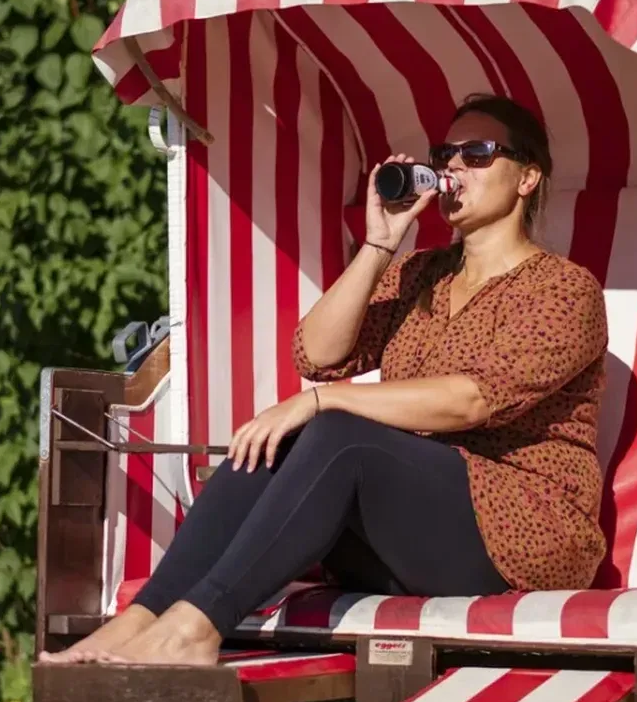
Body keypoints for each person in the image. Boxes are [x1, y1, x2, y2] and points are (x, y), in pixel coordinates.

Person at [39, 93, 608, 668]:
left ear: (527, 177)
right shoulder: (420, 274)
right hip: (414, 527)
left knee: (340, 432)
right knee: (275, 445)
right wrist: (380, 244)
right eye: (446, 153)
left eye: (478, 153)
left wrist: (322, 403)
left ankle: (196, 629)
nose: (453, 167)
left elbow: (471, 399)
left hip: (521, 534)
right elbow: (316, 353)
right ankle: (141, 619)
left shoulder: (563, 289)